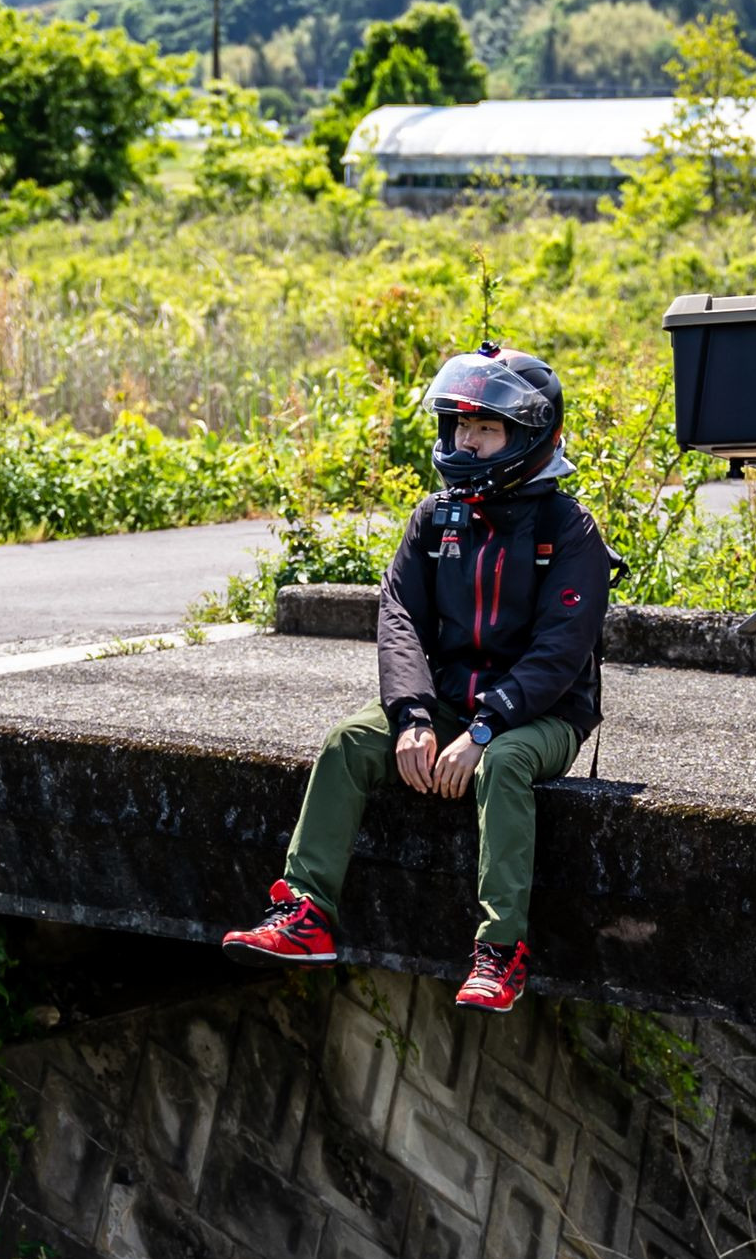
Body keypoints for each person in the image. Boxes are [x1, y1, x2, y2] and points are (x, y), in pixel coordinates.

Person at [220, 346, 612, 1015]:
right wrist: (413, 717)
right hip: (451, 706)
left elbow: (559, 653)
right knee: (348, 741)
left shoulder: (567, 529)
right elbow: (399, 618)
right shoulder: (435, 518)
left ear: (529, 435)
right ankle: (306, 914)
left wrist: (484, 730)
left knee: (505, 764)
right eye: (461, 425)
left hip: (542, 717)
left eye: (486, 428)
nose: (467, 441)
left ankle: (501, 952)